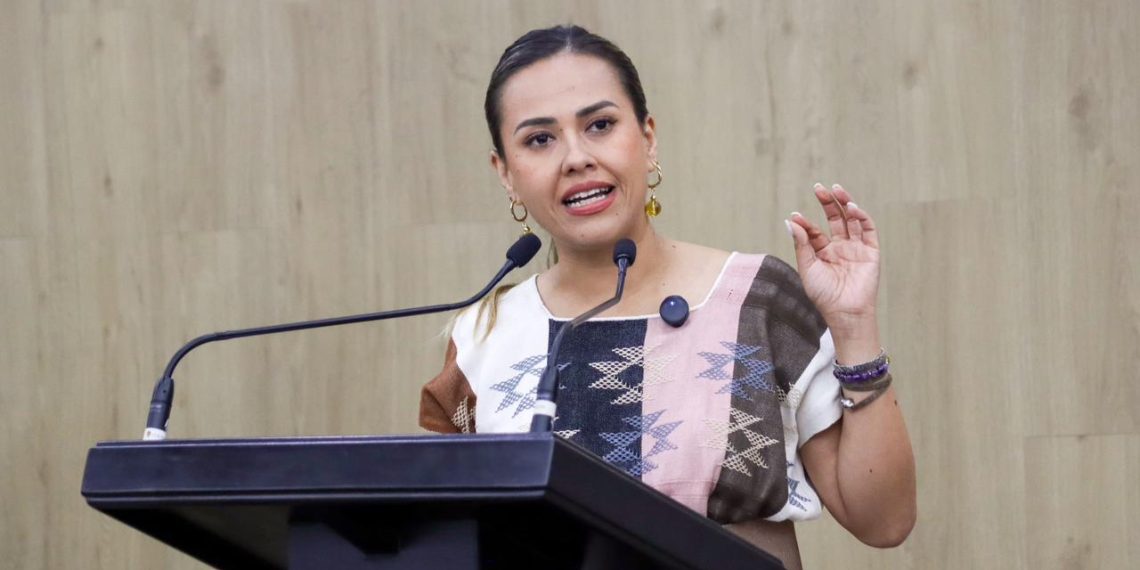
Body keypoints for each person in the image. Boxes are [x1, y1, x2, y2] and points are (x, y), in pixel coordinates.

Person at [420, 25, 916, 568]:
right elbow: (450, 542)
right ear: (506, 174)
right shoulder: (483, 337)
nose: (576, 157)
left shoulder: (756, 300)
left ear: (648, 138)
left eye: (601, 125)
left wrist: (854, 326)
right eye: (540, 139)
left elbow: (884, 521)